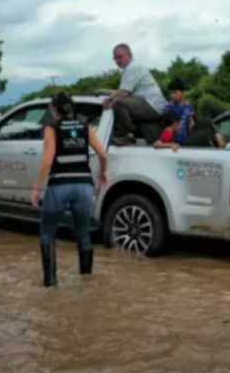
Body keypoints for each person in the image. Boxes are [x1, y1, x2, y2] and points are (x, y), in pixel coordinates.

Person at [31, 93, 108, 287]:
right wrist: (103, 173)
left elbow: (48, 160)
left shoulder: (52, 128)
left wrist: (37, 188)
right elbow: (103, 154)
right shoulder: (85, 127)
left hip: (59, 185)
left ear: (53, 109)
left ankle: (50, 284)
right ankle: (86, 281)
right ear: (72, 109)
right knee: (83, 234)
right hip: (83, 186)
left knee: (48, 233)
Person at [103, 44, 167, 145]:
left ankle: (124, 135)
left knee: (117, 103)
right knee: (151, 138)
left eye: (120, 57)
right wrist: (107, 92)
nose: (117, 61)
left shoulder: (133, 67)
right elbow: (122, 91)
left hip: (151, 104)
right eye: (115, 58)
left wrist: (109, 99)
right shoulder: (131, 68)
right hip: (155, 108)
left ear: (129, 54)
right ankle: (138, 134)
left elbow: (124, 93)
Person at [163, 78, 195, 145]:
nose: (172, 95)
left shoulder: (189, 107)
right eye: (171, 93)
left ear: (183, 93)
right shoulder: (168, 108)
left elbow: (192, 123)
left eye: (175, 92)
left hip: (187, 140)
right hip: (171, 141)